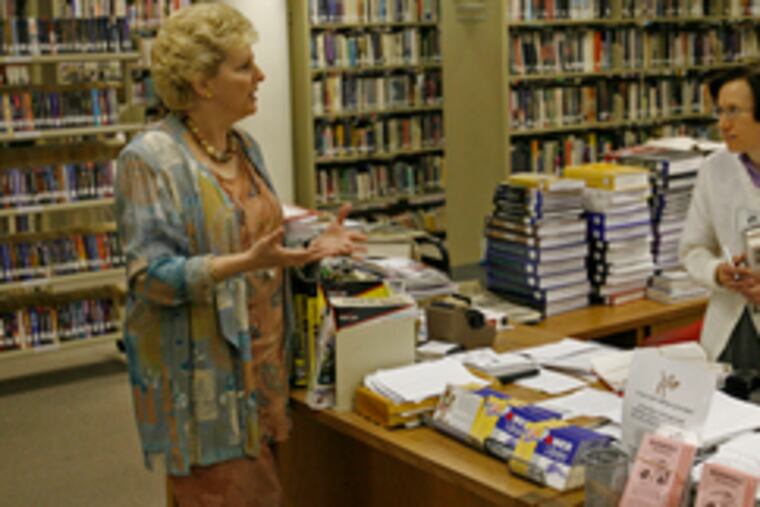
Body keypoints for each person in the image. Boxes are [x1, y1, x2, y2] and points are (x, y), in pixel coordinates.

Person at [113, 4, 365, 505]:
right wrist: (243, 264)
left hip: (266, 371)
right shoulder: (149, 159)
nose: (260, 76)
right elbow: (149, 277)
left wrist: (311, 248)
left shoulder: (243, 147)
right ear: (203, 83)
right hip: (206, 388)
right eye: (244, 66)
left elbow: (258, 243)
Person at [679, 65, 760, 370]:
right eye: (720, 112)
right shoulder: (715, 169)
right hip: (730, 327)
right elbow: (693, 248)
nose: (723, 125)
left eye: (734, 112)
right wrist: (717, 272)